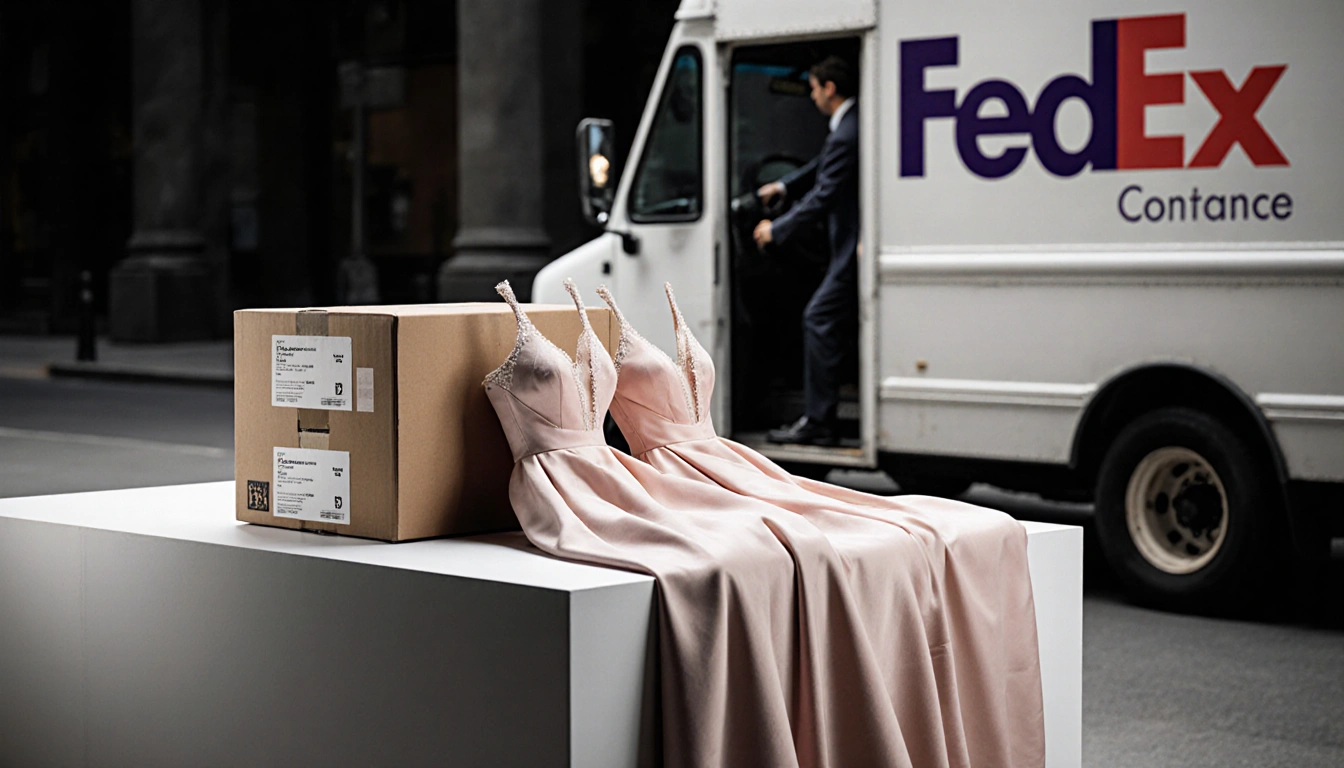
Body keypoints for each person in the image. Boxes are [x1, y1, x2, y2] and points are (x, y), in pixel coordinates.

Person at [754, 56, 859, 446]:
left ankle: (820, 422)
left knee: (818, 318)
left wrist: (776, 229)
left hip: (850, 246)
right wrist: (783, 187)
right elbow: (823, 168)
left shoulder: (846, 131)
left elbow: (825, 194)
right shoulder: (850, 127)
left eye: (813, 88)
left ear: (829, 88)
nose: (813, 96)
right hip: (846, 244)